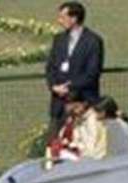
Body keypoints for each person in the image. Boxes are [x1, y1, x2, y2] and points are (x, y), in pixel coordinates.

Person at [45, 2, 105, 137]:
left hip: (83, 103)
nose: (59, 21)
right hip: (59, 105)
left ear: (74, 18)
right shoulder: (59, 39)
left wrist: (70, 87)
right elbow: (50, 67)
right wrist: (53, 86)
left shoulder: (93, 41)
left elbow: (93, 72)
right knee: (56, 141)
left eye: (63, 17)